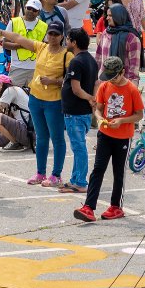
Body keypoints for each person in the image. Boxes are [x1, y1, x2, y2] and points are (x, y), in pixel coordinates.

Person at [0, 16, 68, 189]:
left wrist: (54, 82)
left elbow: (71, 80)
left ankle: (56, 175)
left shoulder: (66, 55)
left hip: (54, 102)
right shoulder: (41, 47)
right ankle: (40, 173)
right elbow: (18, 38)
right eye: (50, 33)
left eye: (56, 34)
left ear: (62, 36)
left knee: (57, 138)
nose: (53, 37)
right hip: (36, 100)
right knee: (41, 138)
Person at [72, 56, 143, 222]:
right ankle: (89, 207)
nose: (111, 80)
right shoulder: (105, 86)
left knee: (118, 172)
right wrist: (99, 118)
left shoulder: (131, 90)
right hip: (105, 135)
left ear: (122, 72)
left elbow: (139, 115)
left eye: (114, 77)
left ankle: (116, 206)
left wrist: (122, 121)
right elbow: (98, 109)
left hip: (123, 137)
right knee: (98, 170)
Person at [61, 28, 98, 194]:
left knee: (79, 147)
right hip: (82, 112)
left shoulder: (76, 62)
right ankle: (75, 179)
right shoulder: (90, 59)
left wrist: (90, 98)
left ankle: (81, 182)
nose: (66, 42)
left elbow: (76, 89)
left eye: (68, 39)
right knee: (78, 146)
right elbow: (95, 83)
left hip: (76, 112)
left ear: (74, 42)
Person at [3, 0, 48, 90]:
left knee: (33, 97)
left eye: (34, 10)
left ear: (38, 12)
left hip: (35, 69)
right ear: (25, 7)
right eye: (29, 8)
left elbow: (46, 47)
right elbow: (5, 44)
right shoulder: (14, 22)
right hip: (17, 67)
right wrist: (20, 46)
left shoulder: (44, 26)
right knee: (13, 94)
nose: (31, 11)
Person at [95, 2, 142, 85]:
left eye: (110, 16)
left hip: (123, 85)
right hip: (105, 83)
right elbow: (98, 58)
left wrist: (132, 89)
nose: (107, 18)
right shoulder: (106, 33)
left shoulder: (131, 38)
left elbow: (134, 68)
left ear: (118, 16)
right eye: (107, 15)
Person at [0, 73, 31, 154]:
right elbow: (4, 117)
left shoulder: (10, 90)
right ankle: (16, 142)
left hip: (28, 132)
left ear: (1, 84)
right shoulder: (13, 91)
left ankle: (16, 144)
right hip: (24, 131)